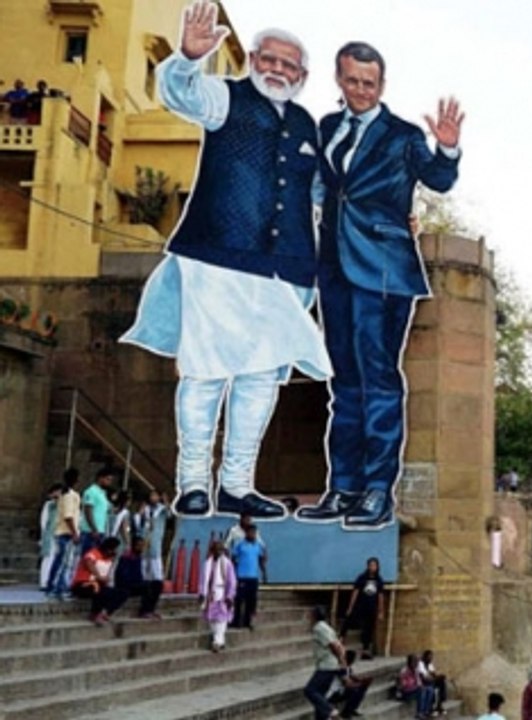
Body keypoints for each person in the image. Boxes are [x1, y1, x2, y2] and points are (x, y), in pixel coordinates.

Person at [120, 0, 332, 519]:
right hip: (217, 258)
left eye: (289, 66)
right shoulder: (223, 98)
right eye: (270, 59)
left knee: (261, 378)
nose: (277, 70)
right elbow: (178, 92)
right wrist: (188, 58)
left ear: (302, 76)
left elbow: (332, 196)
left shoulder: (310, 126)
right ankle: (193, 482)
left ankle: (238, 485)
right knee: (206, 372)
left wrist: (390, 223)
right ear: (253, 59)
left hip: (286, 270)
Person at [297, 40, 463, 527]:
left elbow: (438, 178)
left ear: (382, 85)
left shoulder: (403, 135)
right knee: (343, 382)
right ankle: (343, 487)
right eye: (353, 81)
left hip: (385, 269)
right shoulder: (327, 127)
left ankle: (376, 490)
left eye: (370, 83)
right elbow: (323, 188)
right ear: (339, 79)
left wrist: (447, 147)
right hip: (334, 267)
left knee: (379, 378)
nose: (362, 91)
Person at [304, 605, 348, 720]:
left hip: (327, 666)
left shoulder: (319, 627)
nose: (308, 617)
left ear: (315, 615)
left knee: (310, 690)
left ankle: (332, 712)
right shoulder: (326, 627)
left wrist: (341, 661)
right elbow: (338, 645)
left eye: (310, 614)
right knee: (320, 695)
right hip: (330, 665)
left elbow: (333, 646)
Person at [71, 537, 127, 625]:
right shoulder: (93, 553)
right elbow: (89, 562)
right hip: (82, 584)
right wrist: (99, 576)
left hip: (99, 585)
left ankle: (105, 613)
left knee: (122, 592)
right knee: (97, 587)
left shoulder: (109, 559)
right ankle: (94, 614)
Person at [45, 468, 82, 599]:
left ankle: (58, 587)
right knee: (62, 562)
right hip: (65, 532)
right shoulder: (68, 495)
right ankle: (55, 588)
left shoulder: (68, 494)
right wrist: (74, 533)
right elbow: (68, 516)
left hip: (66, 532)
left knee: (63, 561)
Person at [341, 557, 384, 659]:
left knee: (368, 628)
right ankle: (341, 638)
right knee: (349, 619)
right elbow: (355, 592)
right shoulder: (362, 578)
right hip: (360, 605)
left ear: (377, 567)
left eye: (374, 565)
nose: (372, 567)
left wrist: (381, 611)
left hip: (372, 607)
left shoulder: (379, 580)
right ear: (368, 566)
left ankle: (365, 650)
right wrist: (350, 607)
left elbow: (380, 596)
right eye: (371, 565)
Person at [199, 539, 236, 652]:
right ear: (212, 550)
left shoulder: (227, 563)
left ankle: (216, 641)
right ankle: (221, 640)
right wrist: (201, 593)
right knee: (212, 620)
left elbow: (232, 581)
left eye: (221, 549)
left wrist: (230, 595)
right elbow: (203, 580)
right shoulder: (207, 563)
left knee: (221, 619)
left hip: (222, 594)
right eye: (216, 549)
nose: (219, 551)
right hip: (210, 595)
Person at [115, 536, 164, 618]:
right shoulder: (126, 557)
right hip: (127, 586)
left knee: (158, 584)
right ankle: (144, 611)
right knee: (146, 586)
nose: (141, 548)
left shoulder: (139, 557)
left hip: (137, 583)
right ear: (133, 546)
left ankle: (150, 610)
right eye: (138, 546)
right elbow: (123, 576)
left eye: (142, 546)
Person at [230, 523, 267, 630]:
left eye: (254, 532)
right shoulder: (240, 544)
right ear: (246, 533)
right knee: (239, 600)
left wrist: (264, 573)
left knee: (251, 601)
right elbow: (233, 558)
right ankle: (236, 621)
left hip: (253, 577)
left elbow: (261, 559)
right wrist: (233, 574)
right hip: (242, 576)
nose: (253, 534)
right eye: (251, 532)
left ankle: (247, 621)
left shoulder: (257, 545)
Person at [80, 466, 117, 554]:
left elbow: (109, 510)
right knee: (87, 557)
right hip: (90, 531)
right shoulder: (91, 491)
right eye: (108, 479)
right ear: (100, 478)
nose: (109, 482)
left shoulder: (103, 494)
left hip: (101, 530)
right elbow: (88, 510)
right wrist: (93, 529)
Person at [139, 489, 171, 588]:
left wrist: (166, 501)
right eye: (151, 496)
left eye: (155, 495)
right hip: (145, 535)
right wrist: (141, 510)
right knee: (144, 557)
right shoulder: (147, 508)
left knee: (155, 557)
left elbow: (169, 515)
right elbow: (139, 518)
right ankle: (144, 579)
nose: (152, 498)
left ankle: (157, 580)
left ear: (159, 497)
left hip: (156, 536)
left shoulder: (161, 509)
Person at [330, 649, 372, 718]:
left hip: (342, 690)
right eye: (353, 659)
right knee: (354, 690)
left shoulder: (348, 668)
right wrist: (361, 684)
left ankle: (353, 708)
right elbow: (347, 684)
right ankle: (346, 712)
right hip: (334, 693)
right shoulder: (340, 668)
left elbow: (354, 677)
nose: (353, 661)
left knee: (362, 688)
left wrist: (364, 681)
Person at [38, 483, 62, 590]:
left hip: (61, 534)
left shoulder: (65, 504)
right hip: (50, 535)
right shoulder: (49, 505)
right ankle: (44, 582)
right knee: (48, 558)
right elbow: (44, 521)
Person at [397, 652, 433, 719]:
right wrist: (416, 686)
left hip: (414, 690)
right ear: (410, 662)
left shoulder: (415, 670)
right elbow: (403, 686)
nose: (416, 664)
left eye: (416, 662)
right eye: (414, 662)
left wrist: (420, 685)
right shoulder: (404, 671)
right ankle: (419, 712)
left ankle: (425, 711)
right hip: (406, 693)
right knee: (421, 690)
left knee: (428, 689)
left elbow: (418, 681)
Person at [417, 649, 447, 716]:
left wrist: (439, 676)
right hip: (423, 682)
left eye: (431, 657)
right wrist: (433, 678)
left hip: (431, 680)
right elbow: (423, 677)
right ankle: (431, 708)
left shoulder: (430, 664)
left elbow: (434, 674)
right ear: (425, 657)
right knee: (431, 687)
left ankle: (440, 704)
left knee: (442, 683)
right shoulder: (420, 664)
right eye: (429, 657)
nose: (431, 658)